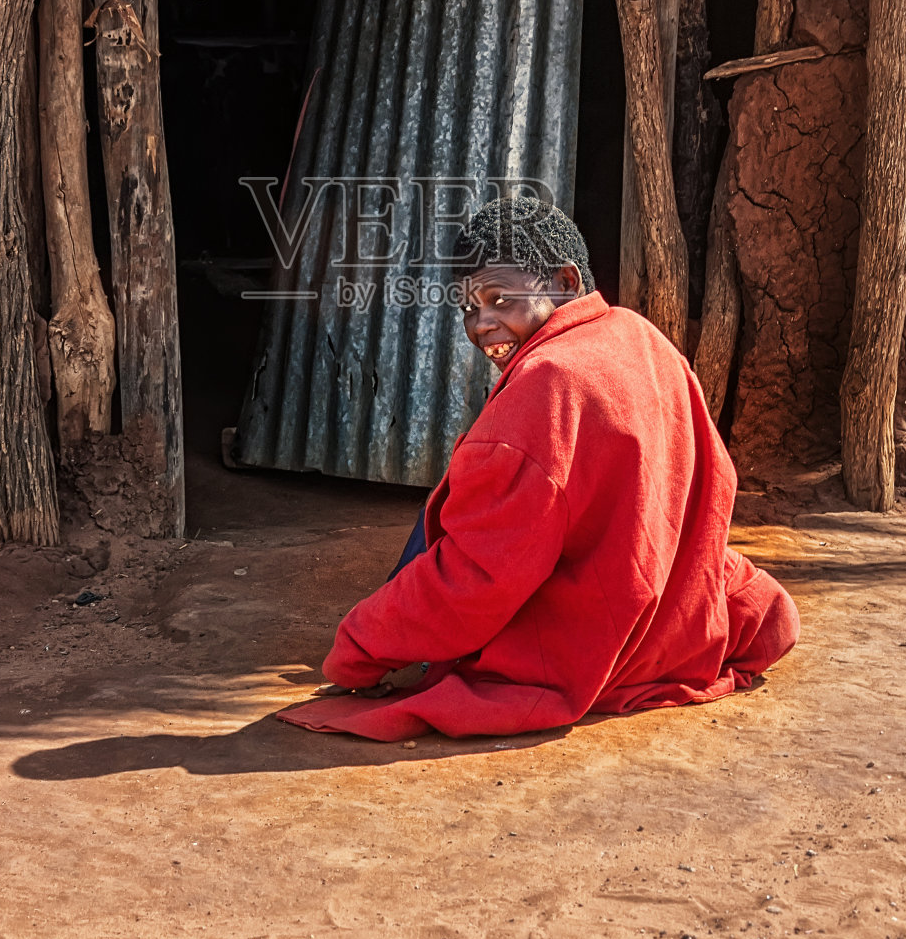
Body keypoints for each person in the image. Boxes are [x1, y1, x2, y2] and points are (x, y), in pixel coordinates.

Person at [278, 196, 799, 742]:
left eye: (499, 299)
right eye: (468, 308)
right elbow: (709, 489)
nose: (481, 325)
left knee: (454, 546)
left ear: (566, 282)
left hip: (598, 644)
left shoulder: (546, 385)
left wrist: (358, 649)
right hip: (674, 618)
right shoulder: (640, 336)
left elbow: (479, 577)